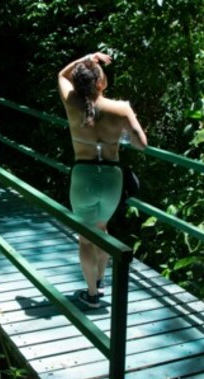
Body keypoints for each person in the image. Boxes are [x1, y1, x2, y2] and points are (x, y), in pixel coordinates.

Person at [58, 51, 147, 308]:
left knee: (86, 237)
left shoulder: (72, 102)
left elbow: (61, 75)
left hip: (83, 176)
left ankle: (92, 294)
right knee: (102, 229)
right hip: (111, 177)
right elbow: (142, 144)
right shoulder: (121, 108)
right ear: (101, 82)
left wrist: (87, 58)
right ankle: (99, 281)